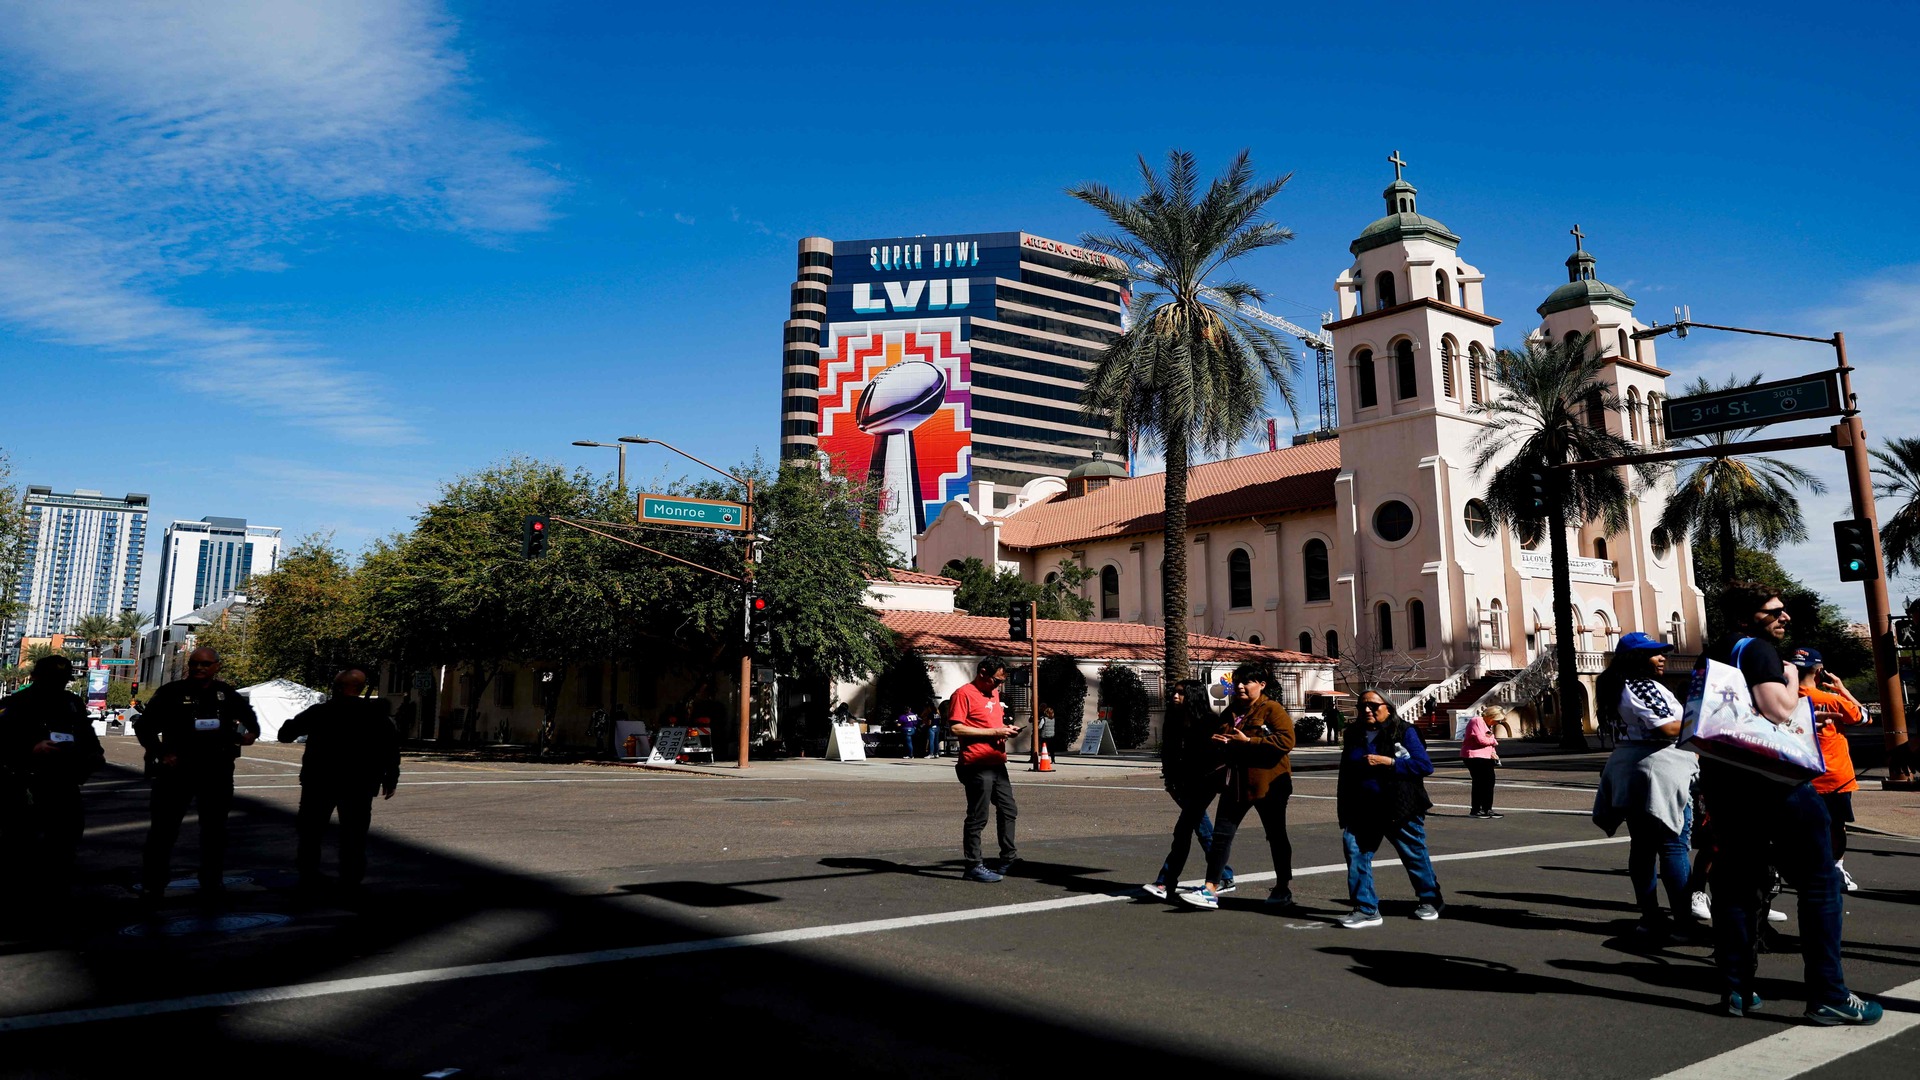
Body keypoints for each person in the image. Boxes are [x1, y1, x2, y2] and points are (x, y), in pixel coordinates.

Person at [1698, 582, 1878, 1024]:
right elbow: (1777, 709)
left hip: (1726, 782)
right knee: (1819, 882)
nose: (1785, 617)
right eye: (1773, 611)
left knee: (1737, 882)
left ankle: (1736, 989)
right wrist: (1793, 679)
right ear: (1746, 618)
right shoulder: (1757, 651)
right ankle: (1829, 994)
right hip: (1774, 782)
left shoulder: (1716, 652)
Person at [1593, 632, 1701, 941]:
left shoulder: (1617, 685)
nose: (1663, 657)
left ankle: (1650, 917)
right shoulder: (1640, 685)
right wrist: (1705, 720)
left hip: (1631, 767)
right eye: (1655, 653)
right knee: (1673, 845)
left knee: (1642, 847)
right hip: (1658, 768)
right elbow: (1666, 727)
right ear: (1637, 659)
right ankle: (1682, 922)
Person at [134, 646, 260, 909]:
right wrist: (160, 752)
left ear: (217, 666)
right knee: (164, 830)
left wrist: (252, 732)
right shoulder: (171, 692)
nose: (199, 669)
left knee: (215, 830)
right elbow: (144, 726)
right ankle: (153, 884)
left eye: (205, 664)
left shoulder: (225, 693)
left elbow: (250, 717)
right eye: (195, 664)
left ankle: (212, 880)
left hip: (216, 771)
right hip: (177, 771)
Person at [278, 668, 400, 893]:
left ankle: (308, 874)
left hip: (320, 781)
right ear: (361, 689)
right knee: (354, 834)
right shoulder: (376, 716)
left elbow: (285, 734)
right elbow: (390, 750)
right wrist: (391, 778)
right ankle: (351, 879)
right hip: (359, 784)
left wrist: (292, 723)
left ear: (338, 687)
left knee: (311, 833)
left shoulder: (321, 711)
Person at [1187, 662, 1296, 910]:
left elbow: (1287, 740)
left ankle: (1282, 887)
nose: (1240, 686)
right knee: (1221, 836)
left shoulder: (1272, 709)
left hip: (1268, 785)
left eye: (1246, 682)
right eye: (1237, 682)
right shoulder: (1232, 709)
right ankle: (1210, 887)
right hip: (1235, 784)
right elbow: (1224, 733)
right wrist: (1218, 740)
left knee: (1276, 836)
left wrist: (1250, 741)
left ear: (1261, 684)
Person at [0, 655, 105, 902]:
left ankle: (55, 899)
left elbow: (87, 735)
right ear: (36, 677)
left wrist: (94, 754)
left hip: (63, 783)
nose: (57, 685)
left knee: (64, 843)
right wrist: (29, 749)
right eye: (51, 679)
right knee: (21, 846)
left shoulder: (72, 703)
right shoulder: (15, 704)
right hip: (25, 784)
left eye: (62, 680)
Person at [1336, 690, 1443, 928]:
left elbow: (1424, 766)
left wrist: (1390, 762)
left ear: (1388, 706)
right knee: (1356, 854)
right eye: (1362, 705)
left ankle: (1430, 899)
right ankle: (1365, 908)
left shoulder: (1405, 731)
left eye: (1373, 705)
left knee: (1413, 854)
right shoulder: (1354, 733)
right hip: (1362, 807)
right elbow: (1346, 775)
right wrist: (1344, 809)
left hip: (1399, 807)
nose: (1366, 710)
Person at [1144, 679, 1232, 902]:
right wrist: (1170, 783)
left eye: (1181, 693)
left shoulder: (1209, 721)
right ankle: (1225, 875)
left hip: (1205, 783)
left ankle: (1165, 881)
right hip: (1183, 785)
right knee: (1202, 830)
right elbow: (1168, 754)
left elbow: (1212, 755)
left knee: (1183, 831)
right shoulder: (1172, 720)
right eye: (1174, 692)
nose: (1175, 696)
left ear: (1193, 696)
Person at [1790, 648, 1866, 893]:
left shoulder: (1783, 698)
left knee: (1801, 826)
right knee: (1837, 826)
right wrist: (1842, 689)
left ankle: (1804, 867)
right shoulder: (1831, 699)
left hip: (1799, 775)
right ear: (1820, 671)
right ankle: (1835, 867)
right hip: (1835, 777)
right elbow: (1863, 717)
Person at [949, 657, 1021, 883]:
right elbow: (956, 727)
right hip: (976, 763)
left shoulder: (994, 694)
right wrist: (994, 733)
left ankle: (1008, 858)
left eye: (1001, 681)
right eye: (996, 680)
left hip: (997, 763)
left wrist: (1006, 729)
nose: (998, 685)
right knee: (978, 817)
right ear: (982, 672)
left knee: (1009, 810)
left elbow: (991, 725)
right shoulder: (963, 694)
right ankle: (972, 866)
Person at [1462, 704, 1503, 819]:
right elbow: (1481, 740)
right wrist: (1493, 741)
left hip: (1486, 756)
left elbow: (1488, 739)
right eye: (1497, 720)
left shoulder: (1486, 724)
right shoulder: (1477, 721)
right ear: (1491, 716)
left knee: (1490, 782)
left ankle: (1487, 808)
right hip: (1474, 756)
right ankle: (1476, 809)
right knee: (1479, 782)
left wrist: (1493, 751)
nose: (1497, 723)